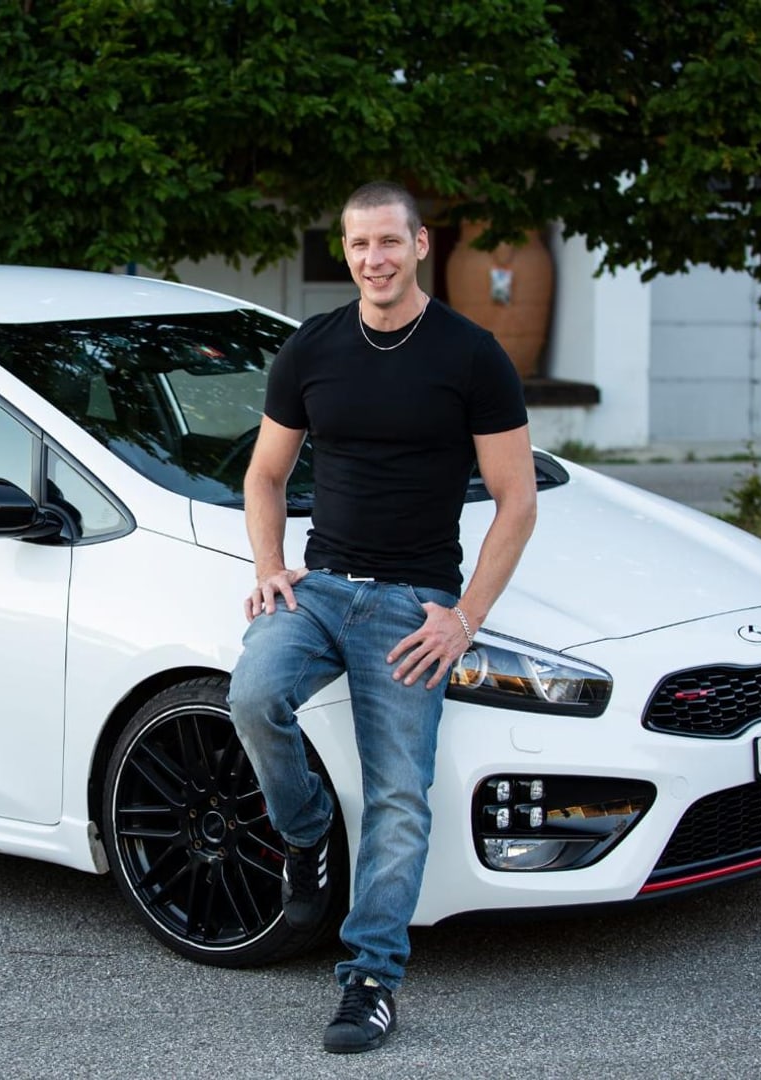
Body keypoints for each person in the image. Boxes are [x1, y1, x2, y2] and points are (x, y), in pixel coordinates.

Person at [228, 180, 537, 1055]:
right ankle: (305, 837)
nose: (374, 259)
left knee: (398, 794)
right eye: (359, 244)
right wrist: (268, 567)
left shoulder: (471, 355)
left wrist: (462, 619)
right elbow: (264, 476)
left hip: (412, 604)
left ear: (421, 245)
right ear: (346, 250)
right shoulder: (312, 347)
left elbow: (516, 501)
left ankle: (368, 980)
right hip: (320, 587)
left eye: (389, 242)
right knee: (251, 695)